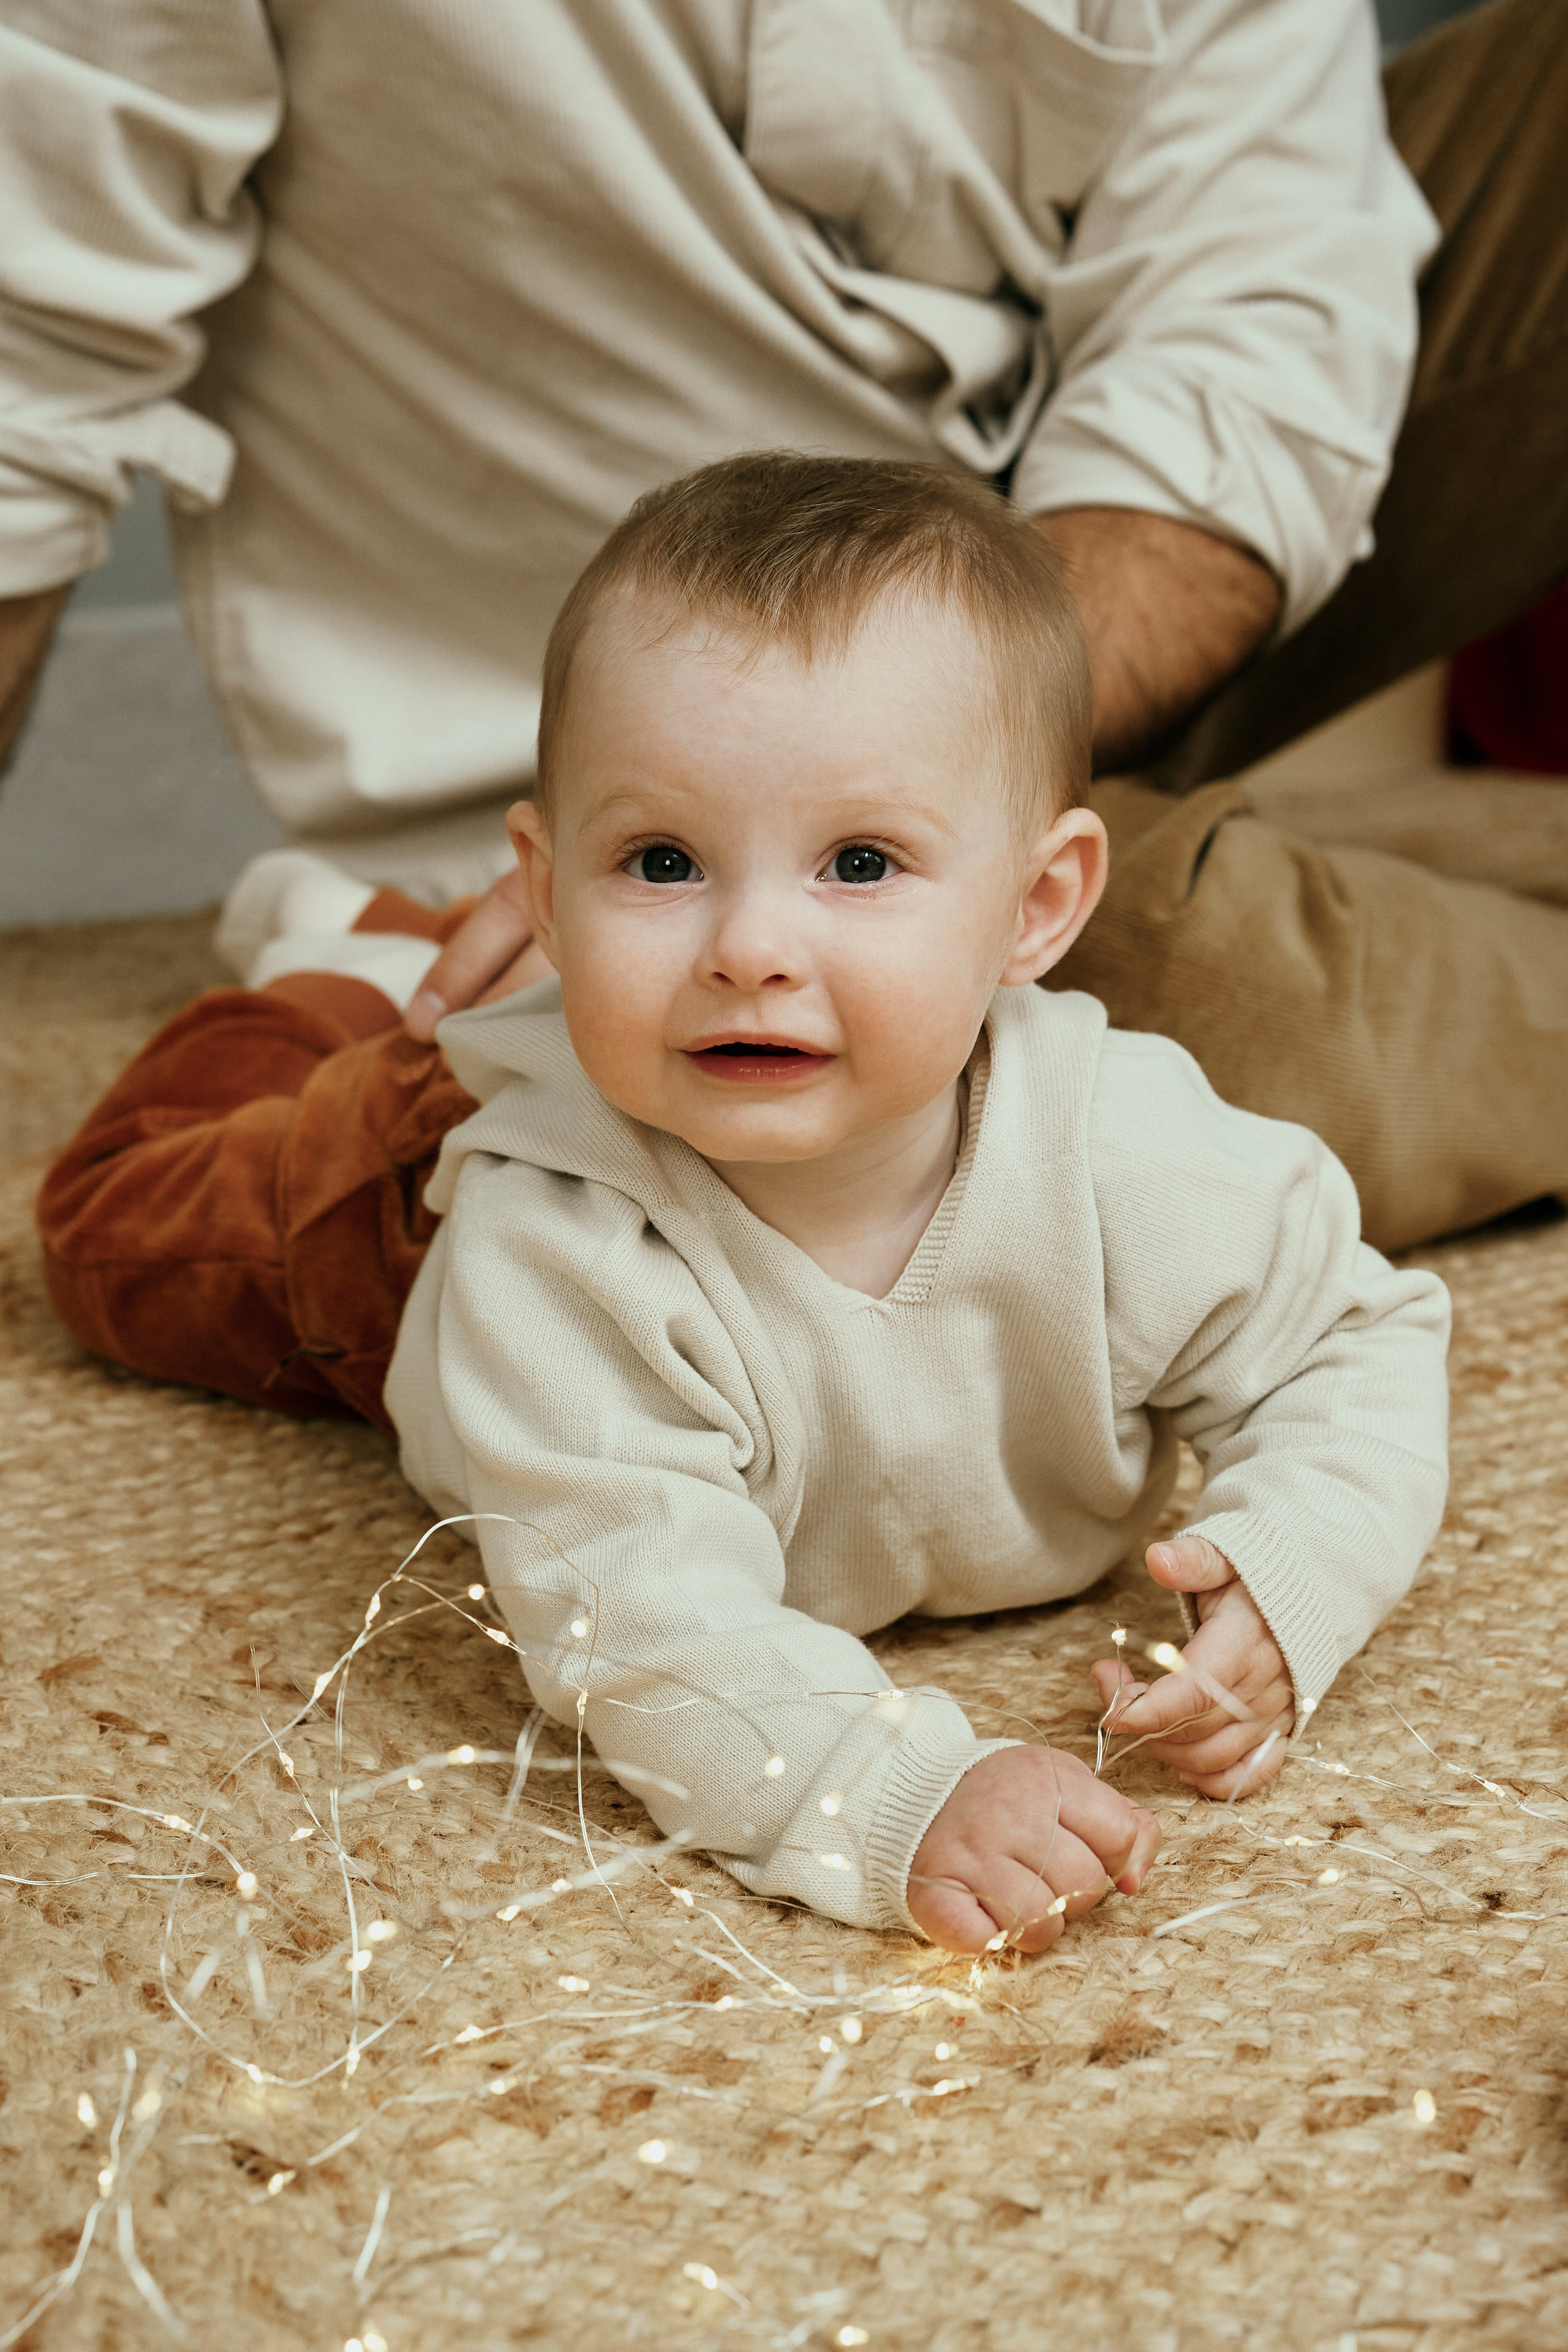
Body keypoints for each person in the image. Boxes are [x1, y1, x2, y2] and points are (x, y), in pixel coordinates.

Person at [37, 456, 1451, 1951]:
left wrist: (1291, 1578)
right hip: (400, 1216)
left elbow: (1348, 1343)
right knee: (118, 1229)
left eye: (857, 862)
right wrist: (896, 1795)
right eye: (661, 862)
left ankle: (386, 948)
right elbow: (642, 1633)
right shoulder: (554, 1254)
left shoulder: (1130, 1144)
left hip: (623, 1057)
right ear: (549, 887)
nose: (750, 947)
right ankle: (332, 974)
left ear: (1035, 908)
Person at [2, 0, 1566, 1246]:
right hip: (631, 766)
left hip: (1127, 592)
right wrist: (782, 846)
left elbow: (1250, 324)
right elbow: (25, 344)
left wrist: (955, 734)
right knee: (1131, 1029)